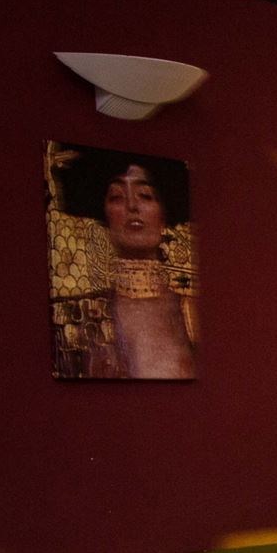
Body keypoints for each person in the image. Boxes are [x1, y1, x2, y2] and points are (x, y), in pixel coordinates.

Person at [48, 145, 198, 379]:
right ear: (105, 215)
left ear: (163, 213)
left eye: (145, 195)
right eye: (117, 196)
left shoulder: (194, 313)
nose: (132, 206)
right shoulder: (75, 319)